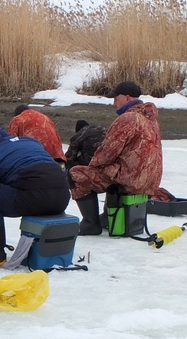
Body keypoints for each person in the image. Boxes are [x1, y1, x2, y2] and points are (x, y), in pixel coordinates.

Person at [0, 128, 71, 264]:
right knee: (40, 190)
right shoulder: (31, 142)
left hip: (34, 196)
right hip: (62, 196)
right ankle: (55, 243)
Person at [68, 81, 163, 236]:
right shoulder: (151, 120)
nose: (114, 103)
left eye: (115, 98)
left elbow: (107, 152)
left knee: (76, 173)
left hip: (130, 179)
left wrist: (92, 166)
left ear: (126, 97)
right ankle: (107, 217)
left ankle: (90, 223)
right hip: (150, 179)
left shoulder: (128, 118)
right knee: (111, 170)